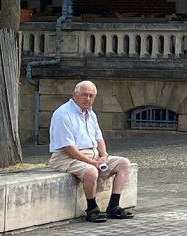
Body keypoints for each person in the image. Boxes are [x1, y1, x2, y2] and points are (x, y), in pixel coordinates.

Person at [48, 80, 135, 222]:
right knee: (91, 171)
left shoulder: (91, 113)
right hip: (66, 157)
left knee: (124, 163)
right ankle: (92, 209)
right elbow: (68, 148)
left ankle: (113, 206)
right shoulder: (63, 114)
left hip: (92, 154)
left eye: (91, 96)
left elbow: (99, 139)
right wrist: (93, 163)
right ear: (74, 95)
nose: (87, 99)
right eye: (84, 95)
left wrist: (104, 155)